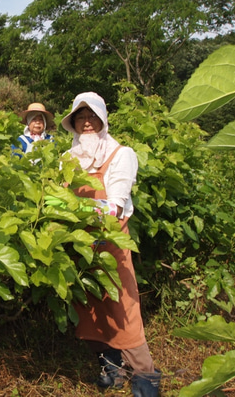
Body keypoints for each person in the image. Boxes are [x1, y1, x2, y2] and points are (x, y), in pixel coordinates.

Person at [60, 92, 161, 397]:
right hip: (82, 243)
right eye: (81, 117)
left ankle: (145, 375)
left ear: (102, 120)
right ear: (74, 123)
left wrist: (81, 208)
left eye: (92, 117)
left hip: (112, 242)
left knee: (122, 306)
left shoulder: (121, 154)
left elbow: (117, 204)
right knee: (90, 306)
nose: (86, 123)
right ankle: (111, 366)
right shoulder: (68, 158)